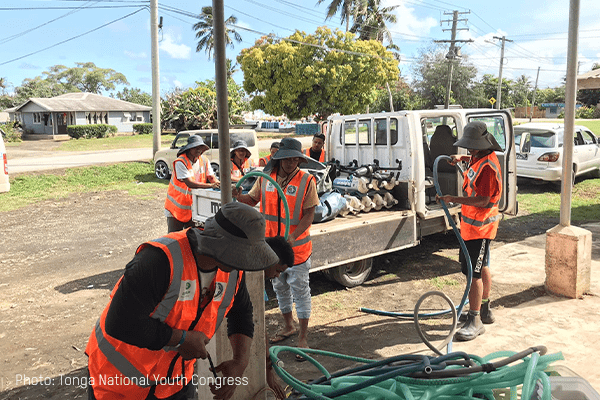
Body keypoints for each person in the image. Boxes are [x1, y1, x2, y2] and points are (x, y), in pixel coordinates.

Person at [85, 202, 291, 400]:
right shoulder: (158, 260)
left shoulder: (233, 272)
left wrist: (239, 362)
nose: (246, 263)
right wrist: (181, 339)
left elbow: (242, 312)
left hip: (173, 384)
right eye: (244, 254)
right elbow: (120, 323)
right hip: (118, 382)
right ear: (224, 247)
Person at [234, 137, 319, 360]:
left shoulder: (307, 180)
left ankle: (303, 338)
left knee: (301, 292)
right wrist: (237, 197)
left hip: (297, 251)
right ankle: (288, 325)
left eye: (295, 159)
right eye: (287, 159)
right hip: (272, 250)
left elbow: (310, 213)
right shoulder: (266, 177)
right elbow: (251, 200)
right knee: (280, 288)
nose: (291, 163)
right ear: (278, 158)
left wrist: (293, 235)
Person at [436, 121, 503, 342]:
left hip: (481, 227)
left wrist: (452, 199)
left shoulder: (488, 169)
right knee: (479, 267)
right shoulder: (478, 156)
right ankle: (484, 309)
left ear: (483, 144)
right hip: (472, 226)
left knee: (474, 274)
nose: (469, 150)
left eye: (472, 147)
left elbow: (483, 200)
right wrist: (461, 159)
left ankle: (475, 320)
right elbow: (474, 161)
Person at [164, 135, 219, 233]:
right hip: (176, 208)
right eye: (196, 148)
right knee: (174, 237)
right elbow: (189, 183)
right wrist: (210, 186)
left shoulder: (204, 160)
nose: (199, 150)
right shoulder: (180, 162)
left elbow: (211, 177)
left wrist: (219, 185)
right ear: (189, 149)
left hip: (192, 207)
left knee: (191, 236)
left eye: (200, 148)